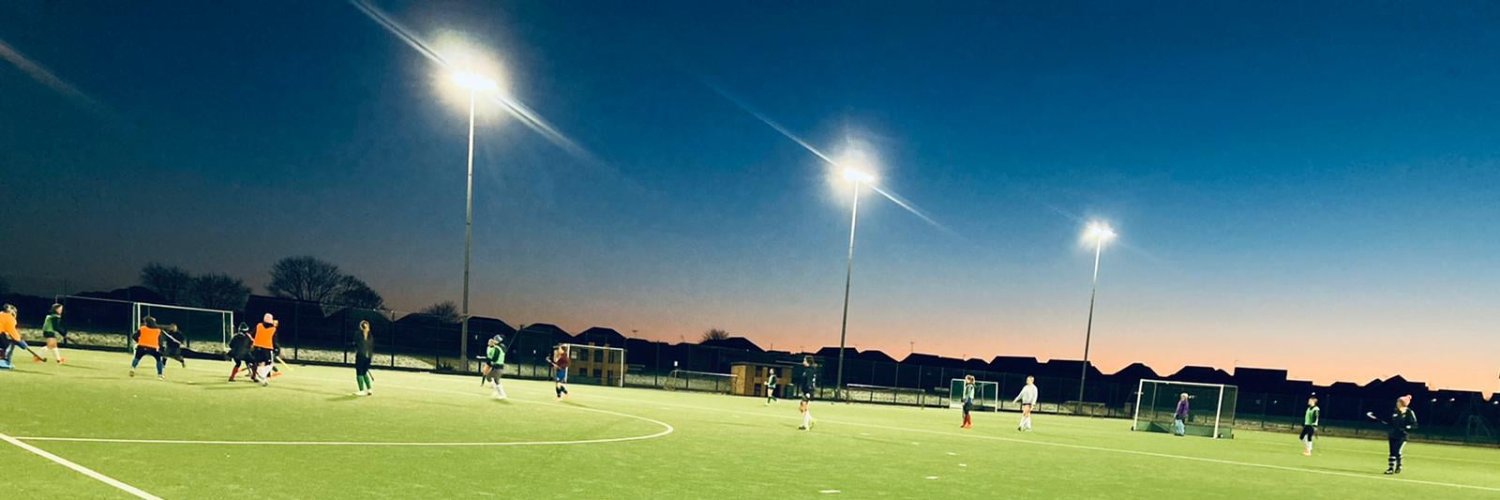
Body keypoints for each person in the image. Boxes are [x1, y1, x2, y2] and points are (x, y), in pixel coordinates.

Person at [1367, 395, 1418, 474]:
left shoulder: (1409, 412)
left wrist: (1407, 427)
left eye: (1399, 402)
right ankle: (1391, 468)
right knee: (1392, 452)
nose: (1397, 403)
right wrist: (1375, 417)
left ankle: (1397, 466)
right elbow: (1388, 421)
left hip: (1402, 435)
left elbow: (1414, 424)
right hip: (1393, 434)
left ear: (1402, 403)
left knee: (1397, 451)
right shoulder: (1395, 411)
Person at [0, 304, 46, 368]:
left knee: (4, 342)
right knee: (5, 345)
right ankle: (3, 362)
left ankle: (4, 361)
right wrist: (21, 342)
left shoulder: (2, 315)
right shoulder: (9, 318)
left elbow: (6, 331)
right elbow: (12, 332)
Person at [251, 313, 279, 386]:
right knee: (270, 364)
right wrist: (277, 348)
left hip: (257, 348)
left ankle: (264, 379)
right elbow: (274, 340)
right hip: (267, 349)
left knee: (260, 364)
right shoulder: (273, 329)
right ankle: (262, 376)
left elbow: (252, 335)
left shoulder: (259, 325)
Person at [353, 320, 375, 396]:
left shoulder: (360, 334)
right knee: (364, 372)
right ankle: (369, 389)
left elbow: (356, 344)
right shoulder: (369, 336)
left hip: (363, 356)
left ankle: (362, 390)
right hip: (366, 356)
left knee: (360, 372)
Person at [797, 357, 817, 431]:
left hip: (808, 391)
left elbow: (809, 382)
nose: (803, 362)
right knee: (802, 408)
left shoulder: (809, 371)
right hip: (806, 391)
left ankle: (806, 426)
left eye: (804, 360)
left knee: (804, 408)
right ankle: (810, 420)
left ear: (808, 362)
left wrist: (808, 392)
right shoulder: (809, 370)